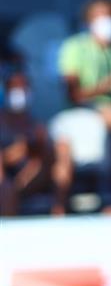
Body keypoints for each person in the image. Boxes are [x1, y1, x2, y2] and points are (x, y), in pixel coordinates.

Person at [58, 0, 111, 170]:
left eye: (109, 16)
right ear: (88, 21)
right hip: (84, 109)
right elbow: (74, 95)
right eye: (98, 16)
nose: (105, 21)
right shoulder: (74, 47)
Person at [0, 70, 52, 215]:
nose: (19, 93)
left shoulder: (36, 126)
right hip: (5, 180)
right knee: (6, 188)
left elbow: (42, 160)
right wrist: (16, 152)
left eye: (23, 88)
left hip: (28, 179)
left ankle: (59, 213)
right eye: (14, 88)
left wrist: (34, 148)